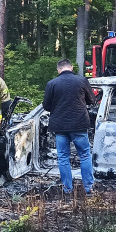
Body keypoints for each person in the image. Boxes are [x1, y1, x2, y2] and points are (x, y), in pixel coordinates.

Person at [42, 59, 95, 196]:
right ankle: (89, 188)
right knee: (84, 155)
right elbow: (92, 100)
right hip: (79, 125)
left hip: (60, 127)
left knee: (63, 157)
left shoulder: (51, 84)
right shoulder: (82, 80)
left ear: (58, 69)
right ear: (71, 68)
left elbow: (46, 106)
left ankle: (67, 189)